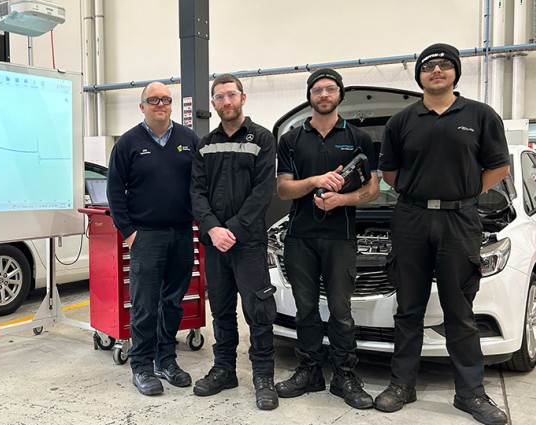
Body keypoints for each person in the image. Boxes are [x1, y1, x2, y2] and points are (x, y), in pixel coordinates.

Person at [374, 43, 510, 425]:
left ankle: (470, 394)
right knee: (409, 309)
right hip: (412, 218)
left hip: (460, 220)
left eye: (444, 65)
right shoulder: (402, 121)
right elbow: (390, 174)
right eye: (428, 66)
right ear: (419, 75)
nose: (436, 70)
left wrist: (462, 192)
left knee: (460, 312)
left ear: (455, 73)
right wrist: (424, 191)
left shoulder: (481, 115)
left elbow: (499, 167)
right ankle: (402, 385)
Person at [274, 68, 379, 409]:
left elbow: (372, 188)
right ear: (309, 96)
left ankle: (345, 375)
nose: (323, 95)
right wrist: (316, 181)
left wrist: (342, 199)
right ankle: (309, 371)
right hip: (300, 237)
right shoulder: (291, 139)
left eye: (329, 89)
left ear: (340, 95)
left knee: (340, 310)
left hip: (341, 237)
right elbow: (283, 187)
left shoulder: (359, 139)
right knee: (305, 309)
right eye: (317, 90)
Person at [190, 73, 278, 410]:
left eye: (231, 95)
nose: (226, 102)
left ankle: (263, 376)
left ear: (243, 98)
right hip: (214, 244)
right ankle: (225, 369)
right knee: (221, 309)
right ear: (213, 103)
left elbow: (262, 192)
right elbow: (196, 192)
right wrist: (213, 229)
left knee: (258, 310)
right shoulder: (205, 143)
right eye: (219, 97)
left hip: (249, 244)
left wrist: (234, 230)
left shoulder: (262, 139)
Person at [106, 81, 200, 396]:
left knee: (173, 303)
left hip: (183, 233)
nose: (160, 104)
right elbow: (115, 192)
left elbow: (200, 185)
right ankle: (142, 366)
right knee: (145, 305)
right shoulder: (128, 143)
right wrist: (129, 233)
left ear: (172, 105)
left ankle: (166, 360)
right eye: (153, 100)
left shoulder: (190, 140)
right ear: (142, 105)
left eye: (165, 99)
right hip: (145, 236)